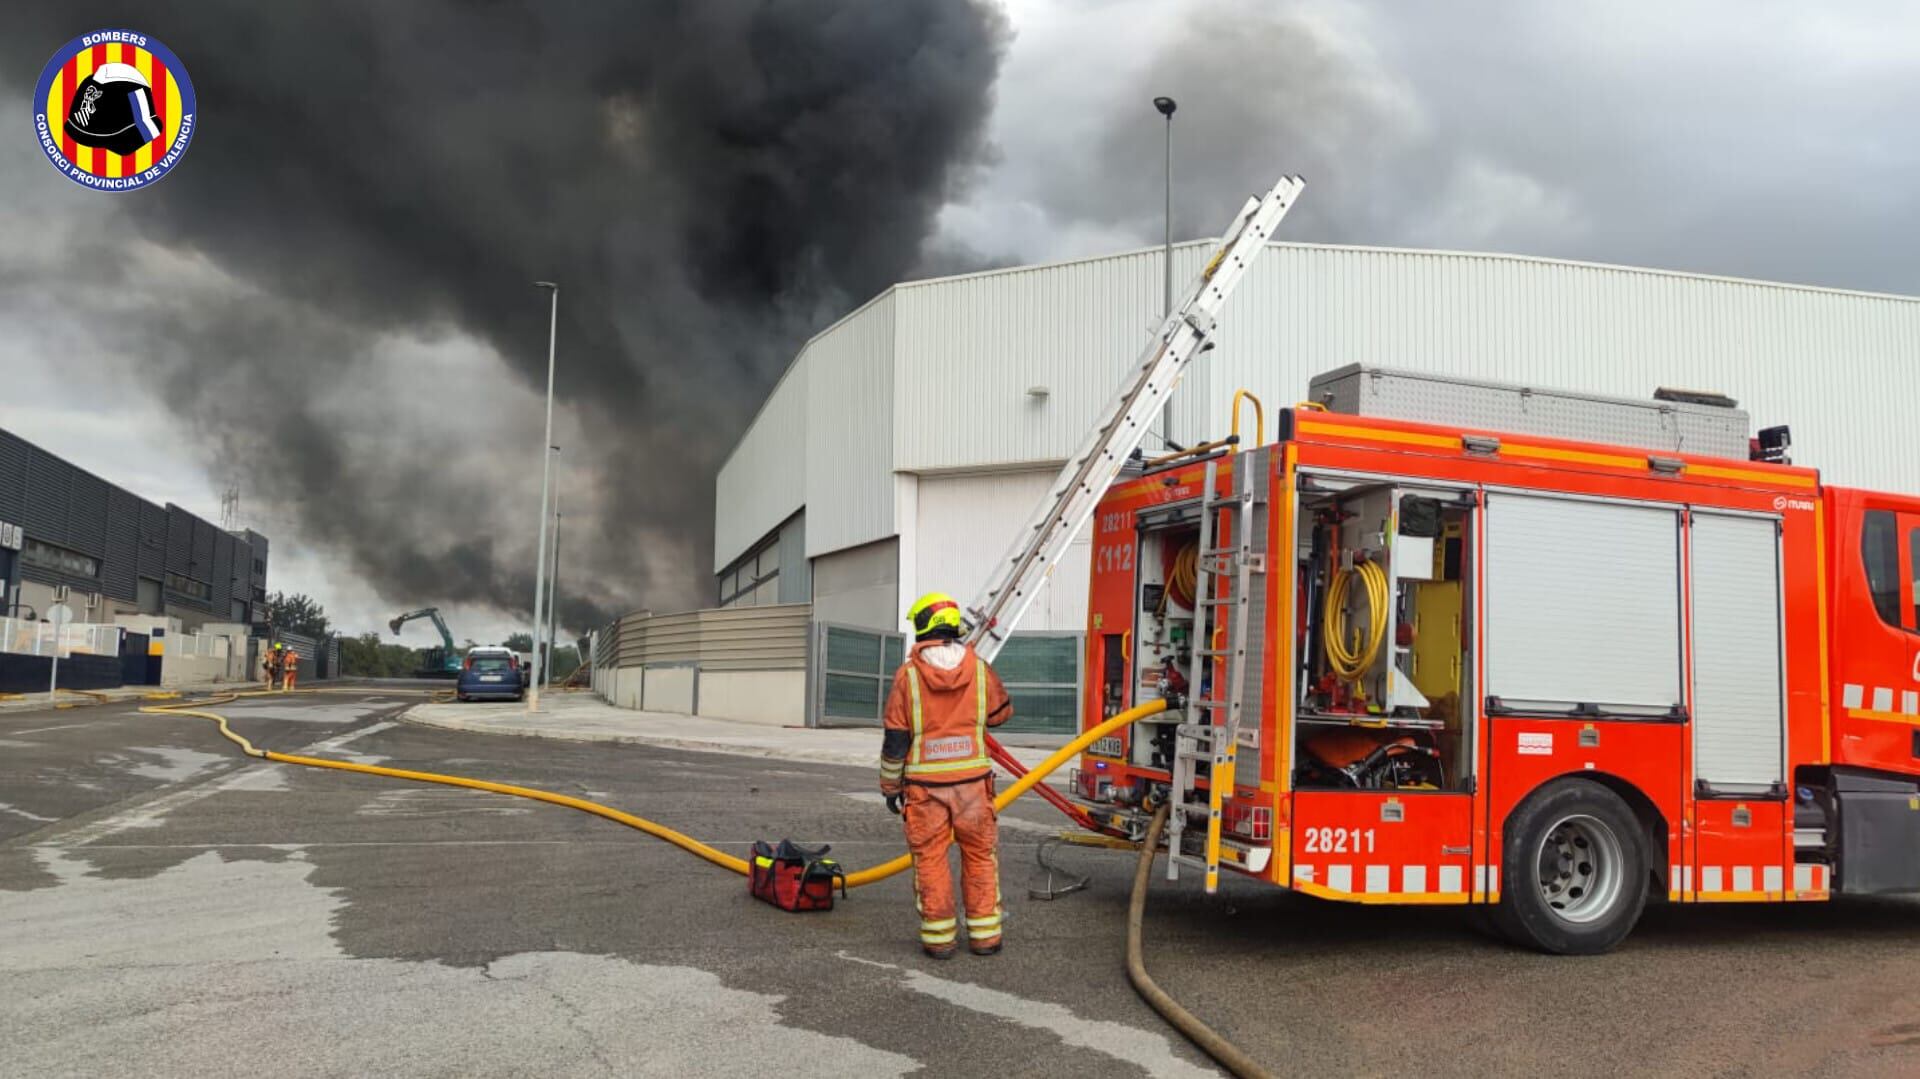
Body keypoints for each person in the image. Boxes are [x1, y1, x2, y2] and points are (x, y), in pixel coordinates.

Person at [878, 592, 1013, 959]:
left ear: (922, 626)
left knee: (931, 860)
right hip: (973, 787)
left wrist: (890, 785)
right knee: (981, 856)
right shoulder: (980, 669)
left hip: (925, 791)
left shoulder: (908, 677)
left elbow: (895, 739)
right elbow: (1002, 713)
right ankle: (985, 937)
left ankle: (939, 940)